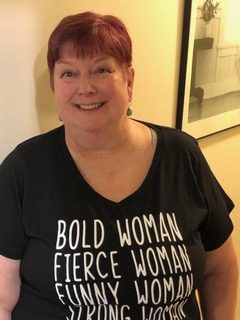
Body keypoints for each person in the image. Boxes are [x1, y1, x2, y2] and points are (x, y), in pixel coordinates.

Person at [0, 11, 238, 320]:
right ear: (54, 85)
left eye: (101, 69)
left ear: (128, 79)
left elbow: (221, 269)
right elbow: (3, 299)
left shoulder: (182, 155)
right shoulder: (23, 170)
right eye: (69, 73)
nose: (85, 87)